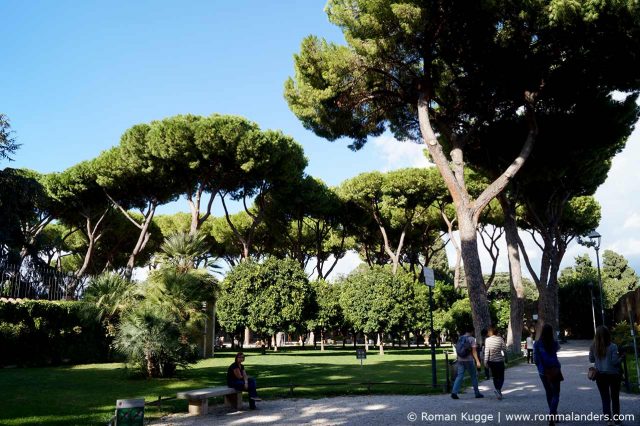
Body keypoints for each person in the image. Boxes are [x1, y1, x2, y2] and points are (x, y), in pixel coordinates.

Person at [589, 326, 622, 425]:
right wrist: (621, 358)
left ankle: (608, 420)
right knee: (615, 397)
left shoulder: (593, 346)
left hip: (600, 375)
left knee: (605, 398)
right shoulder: (613, 346)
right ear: (608, 335)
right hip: (613, 375)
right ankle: (616, 420)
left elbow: (591, 360)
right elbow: (614, 362)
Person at [534, 324, 563, 426]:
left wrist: (540, 368)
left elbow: (536, 360)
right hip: (554, 369)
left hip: (543, 371)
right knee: (556, 394)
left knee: (549, 393)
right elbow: (557, 350)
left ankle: (553, 415)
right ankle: (553, 415)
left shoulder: (537, 344)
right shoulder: (554, 343)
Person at [451, 327, 484, 399]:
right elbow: (474, 351)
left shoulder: (460, 338)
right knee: (474, 376)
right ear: (472, 331)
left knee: (459, 376)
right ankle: (477, 393)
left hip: (460, 360)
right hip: (468, 360)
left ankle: (454, 392)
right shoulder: (472, 339)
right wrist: (477, 361)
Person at [484, 326, 507, 400]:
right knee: (501, 377)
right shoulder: (500, 339)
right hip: (499, 361)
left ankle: (498, 390)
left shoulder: (487, 340)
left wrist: (485, 361)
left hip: (491, 361)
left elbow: (487, 351)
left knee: (495, 376)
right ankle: (498, 390)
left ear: (490, 332)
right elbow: (504, 349)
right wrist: (506, 358)